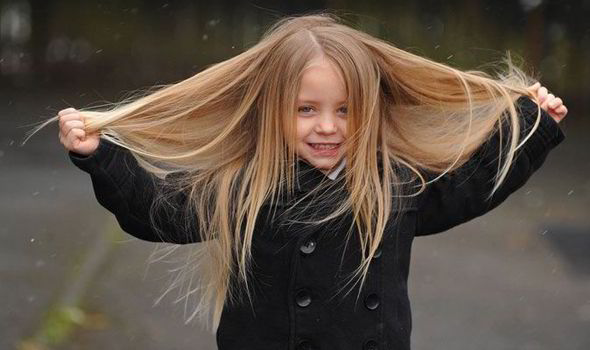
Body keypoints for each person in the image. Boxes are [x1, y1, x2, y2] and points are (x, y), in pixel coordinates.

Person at [30, 13, 567, 350]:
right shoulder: (248, 187)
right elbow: (158, 211)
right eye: (306, 108)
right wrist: (102, 157)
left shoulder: (389, 186)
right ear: (273, 110)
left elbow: (469, 187)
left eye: (345, 109)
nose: (328, 126)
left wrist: (532, 127)